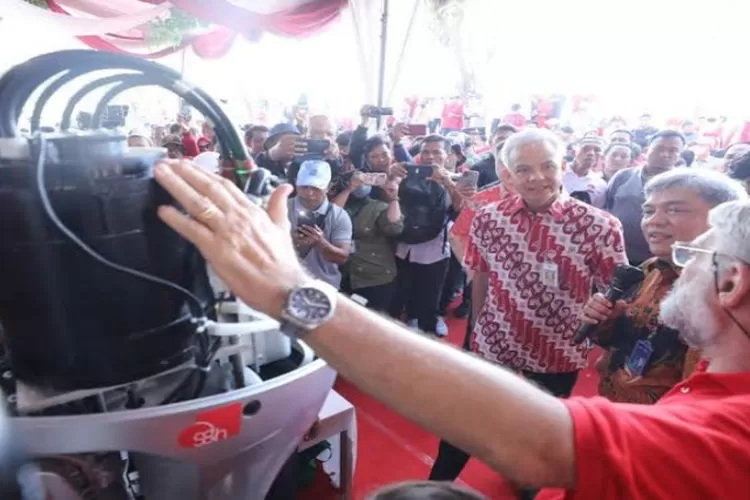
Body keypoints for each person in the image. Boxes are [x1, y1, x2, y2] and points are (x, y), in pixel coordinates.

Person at [154, 159, 750, 499]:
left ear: (731, 284)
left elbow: (539, 442)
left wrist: (288, 291)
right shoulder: (718, 384)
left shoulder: (734, 431)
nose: (671, 259)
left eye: (693, 255)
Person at [429, 129, 627, 496]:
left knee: (539, 430)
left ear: (562, 167)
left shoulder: (600, 225)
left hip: (559, 350)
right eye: (524, 169)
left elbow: (614, 291)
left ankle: (527, 488)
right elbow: (481, 276)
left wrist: (607, 335)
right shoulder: (488, 218)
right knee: (467, 421)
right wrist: (475, 336)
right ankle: (431, 487)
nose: (537, 177)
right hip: (495, 340)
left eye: (547, 166)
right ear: (507, 175)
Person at [581, 169, 747, 404]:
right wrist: (608, 321)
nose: (654, 221)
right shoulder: (650, 269)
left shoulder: (731, 288)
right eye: (648, 211)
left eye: (674, 209)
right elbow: (625, 341)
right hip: (620, 410)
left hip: (677, 425)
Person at [605, 130, 686, 265]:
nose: (665, 154)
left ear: (679, 155)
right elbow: (609, 205)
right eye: (660, 148)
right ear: (647, 150)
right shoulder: (623, 176)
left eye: (673, 151)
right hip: (614, 253)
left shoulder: (684, 186)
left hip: (656, 260)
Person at [333, 172, 404, 311]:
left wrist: (394, 198)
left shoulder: (378, 206)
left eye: (366, 180)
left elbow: (394, 227)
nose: (362, 184)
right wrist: (349, 189)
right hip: (347, 274)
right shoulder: (343, 202)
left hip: (374, 276)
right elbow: (332, 215)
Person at [289, 160, 352, 289]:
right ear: (296, 182)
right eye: (304, 186)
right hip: (285, 281)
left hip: (323, 286)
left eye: (316, 188)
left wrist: (321, 243)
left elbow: (342, 257)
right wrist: (289, 241)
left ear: (329, 187)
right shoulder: (281, 207)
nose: (309, 193)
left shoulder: (339, 216)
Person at [561, 136, 607, 207]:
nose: (591, 153)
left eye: (597, 150)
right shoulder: (559, 172)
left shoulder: (600, 185)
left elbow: (596, 212)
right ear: (574, 152)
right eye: (586, 149)